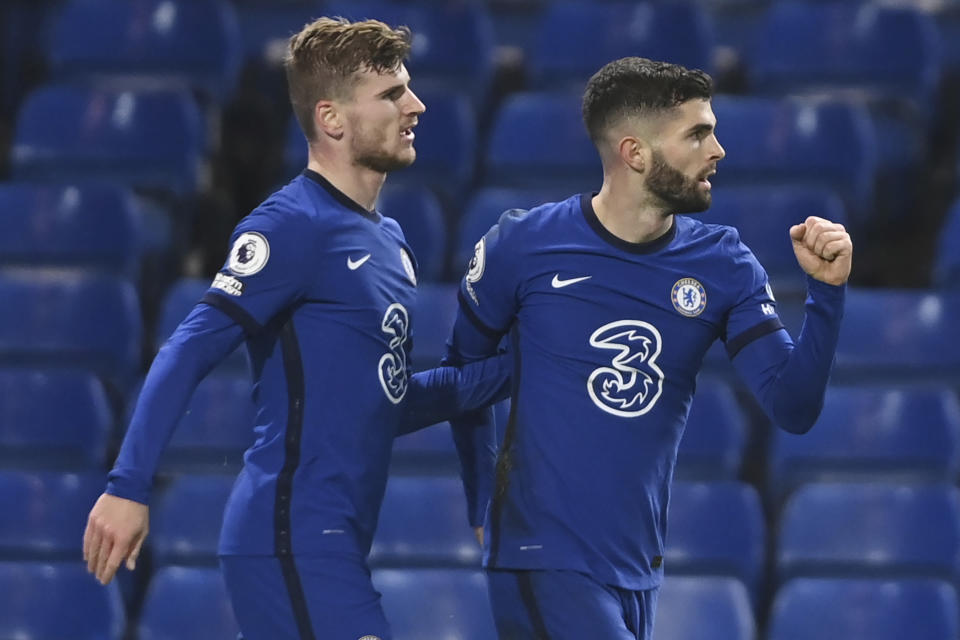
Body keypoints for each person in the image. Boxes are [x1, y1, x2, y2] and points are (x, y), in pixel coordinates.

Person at [83, 17, 510, 640]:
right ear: (332, 119)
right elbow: (187, 350)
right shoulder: (291, 225)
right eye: (391, 94)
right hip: (291, 540)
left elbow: (378, 402)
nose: (416, 106)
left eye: (409, 89)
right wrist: (127, 486)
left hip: (324, 544)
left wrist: (511, 369)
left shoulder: (390, 242)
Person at [446, 57, 851, 639]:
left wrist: (827, 295)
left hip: (637, 569)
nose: (719, 150)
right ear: (635, 153)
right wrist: (481, 501)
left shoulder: (725, 265)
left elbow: (793, 407)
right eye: (697, 133)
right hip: (542, 556)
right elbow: (462, 377)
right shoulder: (522, 244)